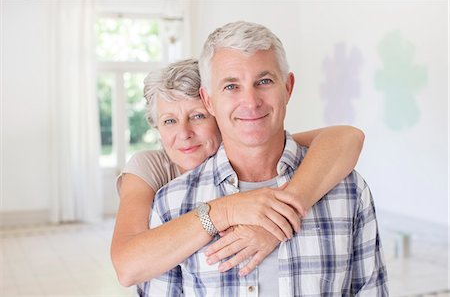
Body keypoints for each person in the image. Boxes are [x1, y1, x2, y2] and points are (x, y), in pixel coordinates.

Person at [138, 21, 387, 296]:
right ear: (208, 100)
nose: (251, 101)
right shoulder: (171, 203)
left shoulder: (348, 191)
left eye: (264, 81)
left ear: (288, 88)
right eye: (231, 86)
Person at [111, 58, 365, 288]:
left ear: (218, 113)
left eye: (198, 116)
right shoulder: (152, 170)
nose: (184, 134)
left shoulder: (255, 156)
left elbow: (346, 137)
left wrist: (277, 221)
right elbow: (127, 267)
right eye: (169, 121)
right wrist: (224, 210)